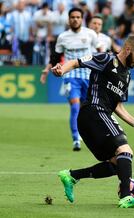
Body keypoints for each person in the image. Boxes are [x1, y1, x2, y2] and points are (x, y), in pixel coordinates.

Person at [51, 35, 134, 208]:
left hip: (99, 116)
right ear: (128, 49)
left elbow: (118, 106)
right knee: (125, 150)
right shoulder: (106, 59)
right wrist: (61, 70)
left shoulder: (126, 76)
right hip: (93, 111)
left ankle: (71, 176)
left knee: (117, 163)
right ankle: (126, 197)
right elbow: (76, 62)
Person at [40, 8, 100, 151]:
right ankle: (75, 139)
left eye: (78, 17)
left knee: (88, 109)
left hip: (88, 76)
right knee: (74, 105)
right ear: (68, 19)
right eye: (72, 17)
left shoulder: (90, 34)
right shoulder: (63, 37)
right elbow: (55, 57)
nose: (75, 19)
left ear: (82, 19)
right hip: (70, 76)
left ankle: (89, 135)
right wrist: (46, 70)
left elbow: (99, 52)